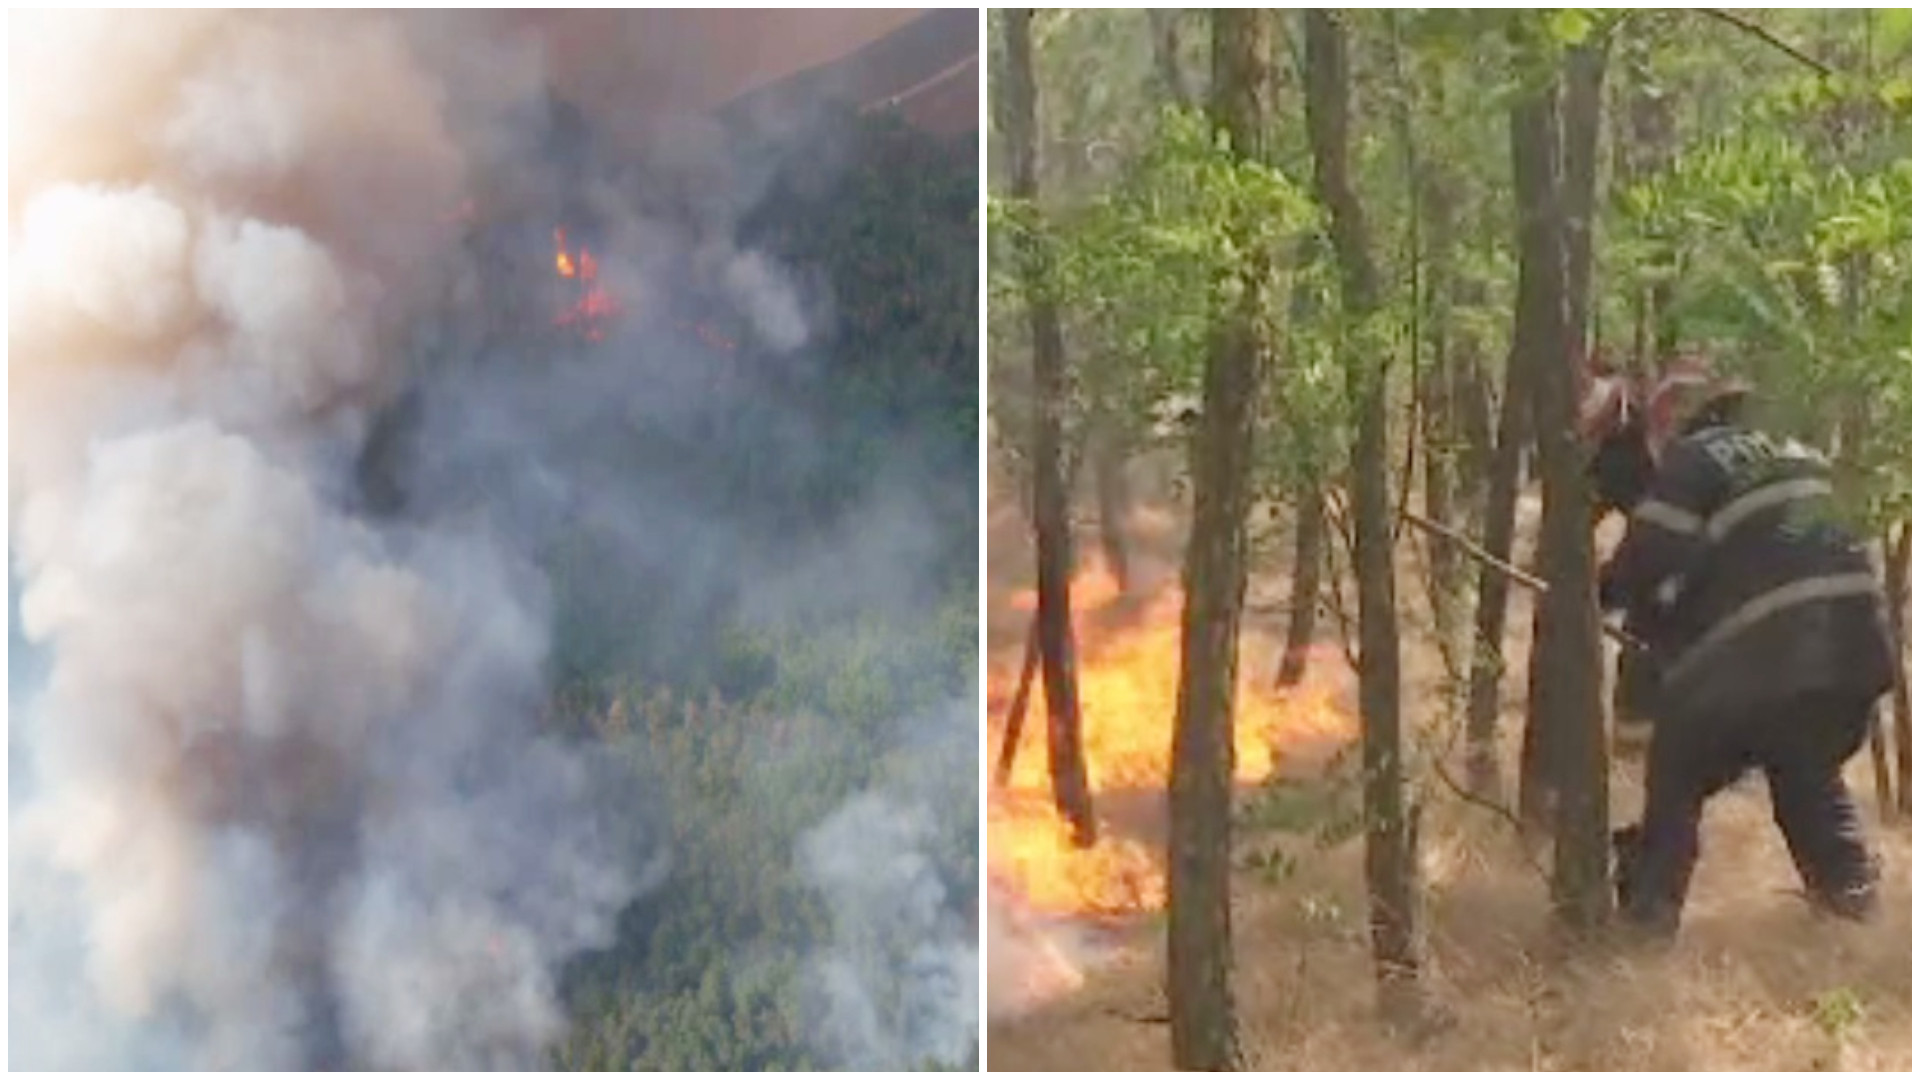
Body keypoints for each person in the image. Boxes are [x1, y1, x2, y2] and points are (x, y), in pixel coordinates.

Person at [1599, 355, 1894, 938]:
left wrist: (1593, 594)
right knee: (1803, 767)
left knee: (1677, 768)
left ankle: (1647, 921)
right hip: (1857, 655)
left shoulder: (1697, 456)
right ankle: (1851, 909)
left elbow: (1650, 557)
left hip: (1770, 656)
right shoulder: (1804, 452)